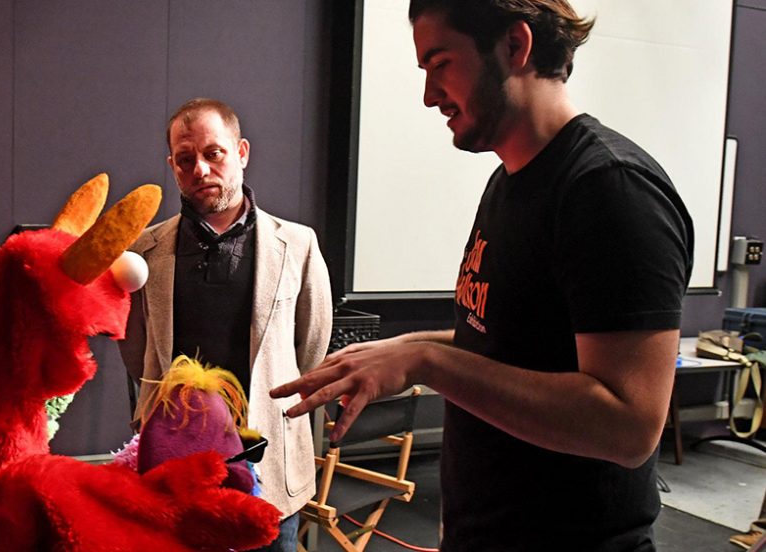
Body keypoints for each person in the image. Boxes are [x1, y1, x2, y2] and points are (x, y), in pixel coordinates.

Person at [271, 1, 694, 551]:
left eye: (440, 63)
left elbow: (629, 426)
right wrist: (404, 347)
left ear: (516, 46)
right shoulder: (510, 182)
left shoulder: (610, 190)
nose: (428, 95)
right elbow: (514, 345)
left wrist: (426, 360)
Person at [119, 97, 333, 552]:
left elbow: (310, 349)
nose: (199, 169)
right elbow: (136, 351)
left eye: (213, 153)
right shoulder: (145, 251)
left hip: (267, 460)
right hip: (177, 460)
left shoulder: (297, 245)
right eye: (185, 159)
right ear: (173, 166)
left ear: (241, 152)